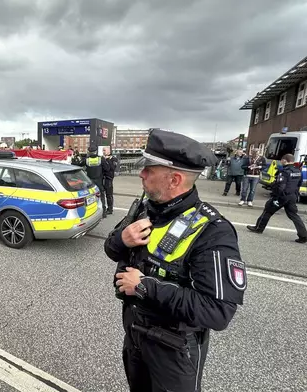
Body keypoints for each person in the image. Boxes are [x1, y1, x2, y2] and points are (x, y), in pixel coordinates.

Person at [105, 129, 246, 392]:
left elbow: (218, 312)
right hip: (135, 335)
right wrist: (121, 240)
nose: (141, 174)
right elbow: (112, 250)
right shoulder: (145, 208)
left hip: (174, 351)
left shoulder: (212, 231)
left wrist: (145, 286)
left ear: (174, 179)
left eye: (149, 169)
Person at [247, 154, 307, 243]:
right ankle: (304, 235)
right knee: (294, 215)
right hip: (292, 196)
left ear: (285, 160)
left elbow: (281, 186)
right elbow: (299, 184)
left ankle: (258, 228)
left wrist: (275, 196)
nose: (281, 162)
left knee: (268, 210)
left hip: (282, 196)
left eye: (281, 160)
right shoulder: (298, 171)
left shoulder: (284, 172)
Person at [84, 145, 108, 218]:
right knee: (101, 196)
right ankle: (103, 213)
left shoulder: (86, 159)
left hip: (90, 182)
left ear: (89, 152)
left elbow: (78, 164)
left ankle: (91, 212)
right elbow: (107, 169)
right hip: (99, 181)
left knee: (90, 198)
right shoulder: (101, 159)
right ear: (96, 151)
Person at [103, 147, 118, 215]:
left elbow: (112, 168)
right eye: (103, 150)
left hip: (108, 179)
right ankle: (103, 208)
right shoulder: (102, 158)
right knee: (101, 195)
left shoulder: (114, 159)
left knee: (109, 195)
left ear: (109, 151)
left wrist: (108, 159)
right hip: (102, 178)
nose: (103, 151)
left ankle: (110, 209)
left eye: (104, 150)